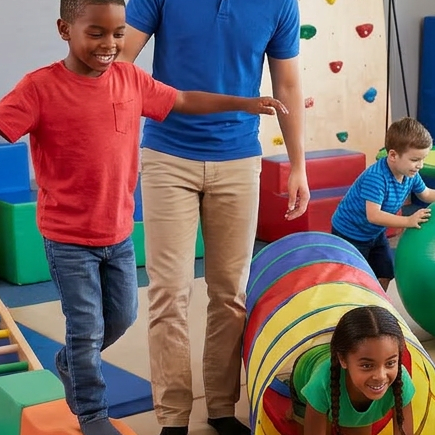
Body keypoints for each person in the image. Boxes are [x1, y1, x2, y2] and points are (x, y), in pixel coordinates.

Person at [0, 1, 287, 434]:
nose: (109, 44)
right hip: (67, 238)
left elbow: (184, 99)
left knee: (121, 318)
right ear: (65, 29)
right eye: (96, 33)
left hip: (116, 235)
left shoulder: (131, 80)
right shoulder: (40, 88)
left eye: (118, 34)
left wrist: (244, 103)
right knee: (85, 326)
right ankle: (92, 413)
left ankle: (71, 361)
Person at [117, 0, 309, 433]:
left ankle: (222, 408)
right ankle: (172, 417)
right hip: (167, 154)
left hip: (239, 158)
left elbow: (288, 84)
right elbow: (120, 58)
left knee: (229, 294)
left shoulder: (280, 4)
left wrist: (298, 164)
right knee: (169, 291)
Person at [330, 118, 435, 291]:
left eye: (423, 159)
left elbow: (426, 193)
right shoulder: (376, 178)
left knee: (385, 272)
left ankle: (378, 305)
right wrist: (408, 221)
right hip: (350, 234)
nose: (420, 165)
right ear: (393, 155)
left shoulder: (410, 175)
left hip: (374, 234)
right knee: (355, 279)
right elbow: (374, 215)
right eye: (415, 159)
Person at [287, 305, 414, 435]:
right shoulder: (321, 384)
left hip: (344, 395)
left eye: (390, 363)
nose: (381, 376)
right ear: (342, 359)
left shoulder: (400, 380)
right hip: (306, 371)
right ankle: (293, 406)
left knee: (353, 424)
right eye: (367, 366)